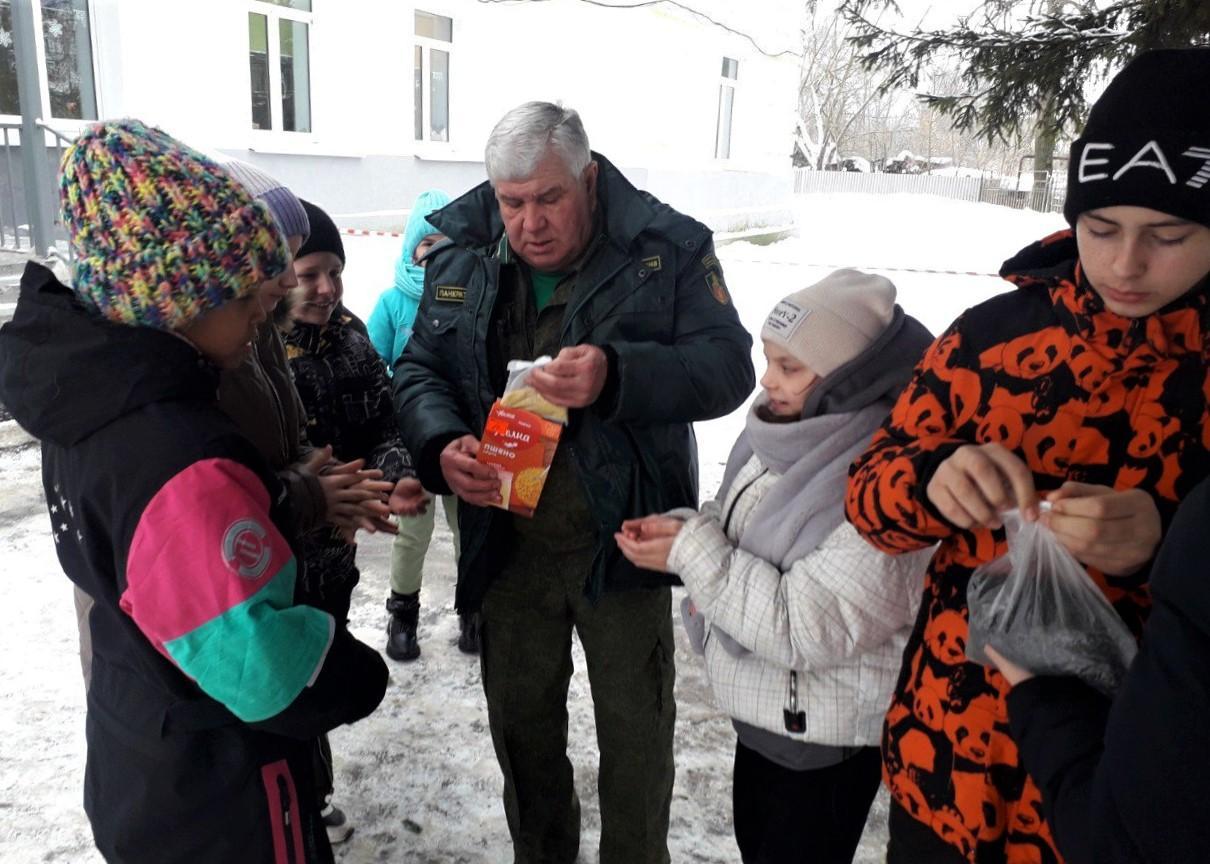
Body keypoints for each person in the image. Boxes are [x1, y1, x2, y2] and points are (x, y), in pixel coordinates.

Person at [844, 48, 1210, 863]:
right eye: (1101, 228)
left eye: (1169, 234)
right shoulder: (992, 334)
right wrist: (933, 483)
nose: (1125, 263)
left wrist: (1168, 541)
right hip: (945, 771)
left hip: (1112, 807)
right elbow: (867, 499)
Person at [0, 119, 388, 863]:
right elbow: (264, 668)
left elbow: (159, 565)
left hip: (139, 744)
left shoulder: (86, 399)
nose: (262, 320)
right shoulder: (180, 455)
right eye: (249, 299)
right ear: (179, 298)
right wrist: (355, 675)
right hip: (223, 788)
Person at [393, 101, 755, 864]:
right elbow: (420, 368)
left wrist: (621, 375)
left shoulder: (665, 247)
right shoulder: (460, 250)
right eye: (512, 202)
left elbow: (728, 366)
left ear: (588, 179)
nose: (529, 223)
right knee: (523, 736)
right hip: (508, 543)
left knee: (636, 736)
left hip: (622, 540)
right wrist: (438, 444)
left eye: (549, 198)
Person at [616, 270, 935, 864]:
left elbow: (804, 624)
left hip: (823, 741)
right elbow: (735, 525)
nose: (767, 381)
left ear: (846, 379)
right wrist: (684, 531)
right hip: (768, 721)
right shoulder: (788, 433)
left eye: (790, 366)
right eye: (769, 359)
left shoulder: (888, 480)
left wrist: (694, 550)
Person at [987, 474, 1210, 864]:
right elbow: (874, 496)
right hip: (946, 780)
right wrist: (930, 475)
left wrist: (1162, 535)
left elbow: (1131, 838)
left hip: (1064, 806)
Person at [367, 189, 479, 659]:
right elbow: (371, 365)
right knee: (413, 530)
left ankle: (471, 610)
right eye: (425, 244)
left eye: (444, 244)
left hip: (457, 434)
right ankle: (403, 612)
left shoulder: (470, 298)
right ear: (410, 248)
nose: (433, 254)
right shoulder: (393, 303)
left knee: (465, 525)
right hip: (407, 438)